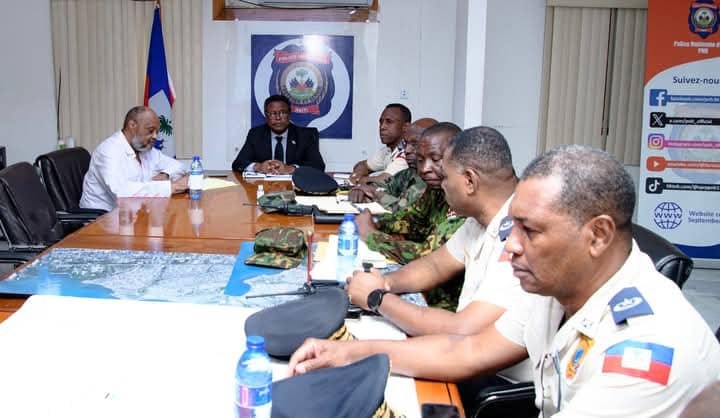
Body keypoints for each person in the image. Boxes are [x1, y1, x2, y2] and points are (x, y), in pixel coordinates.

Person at [289, 145, 720, 417]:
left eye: (530, 230)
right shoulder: (562, 286)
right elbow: (467, 350)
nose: (510, 245)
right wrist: (346, 353)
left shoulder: (644, 351)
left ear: (598, 235)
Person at [355, 123, 465, 292]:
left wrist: (371, 235)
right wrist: (376, 222)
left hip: (442, 298)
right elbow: (410, 220)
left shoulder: (465, 203)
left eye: (436, 159)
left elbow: (427, 258)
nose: (424, 169)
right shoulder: (436, 190)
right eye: (420, 160)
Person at [80, 106, 188, 212]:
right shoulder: (109, 150)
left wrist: (165, 175)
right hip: (102, 218)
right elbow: (121, 192)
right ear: (132, 125)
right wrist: (171, 187)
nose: (155, 136)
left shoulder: (145, 149)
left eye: (157, 132)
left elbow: (179, 166)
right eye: (150, 130)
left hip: (134, 212)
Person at [349, 117, 436, 208]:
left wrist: (375, 193)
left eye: (415, 144)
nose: (407, 150)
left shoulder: (433, 180)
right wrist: (362, 190)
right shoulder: (409, 173)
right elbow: (385, 185)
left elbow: (404, 209)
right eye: (405, 144)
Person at [231, 95, 325, 174]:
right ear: (266, 116)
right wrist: (258, 167)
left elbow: (318, 165)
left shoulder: (305, 136)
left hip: (294, 187)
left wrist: (290, 169)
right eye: (273, 113)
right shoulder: (256, 134)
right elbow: (238, 163)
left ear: (289, 114)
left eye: (283, 113)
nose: (278, 118)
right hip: (264, 186)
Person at [349, 104, 410, 185]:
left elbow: (384, 181)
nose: (382, 127)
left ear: (405, 127)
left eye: (389, 122)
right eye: (381, 122)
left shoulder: (407, 152)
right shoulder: (387, 150)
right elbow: (362, 164)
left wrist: (359, 179)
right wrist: (358, 174)